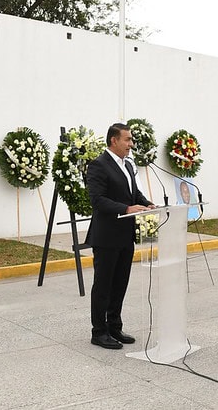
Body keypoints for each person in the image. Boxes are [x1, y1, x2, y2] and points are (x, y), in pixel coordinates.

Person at [85, 123, 155, 349]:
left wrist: (146, 204)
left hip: (126, 235)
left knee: (120, 284)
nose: (131, 144)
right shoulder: (98, 165)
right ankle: (99, 331)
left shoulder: (127, 165)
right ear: (114, 141)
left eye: (131, 140)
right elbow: (97, 199)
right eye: (127, 140)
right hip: (106, 237)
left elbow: (133, 193)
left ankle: (114, 325)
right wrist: (126, 209)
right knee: (103, 285)